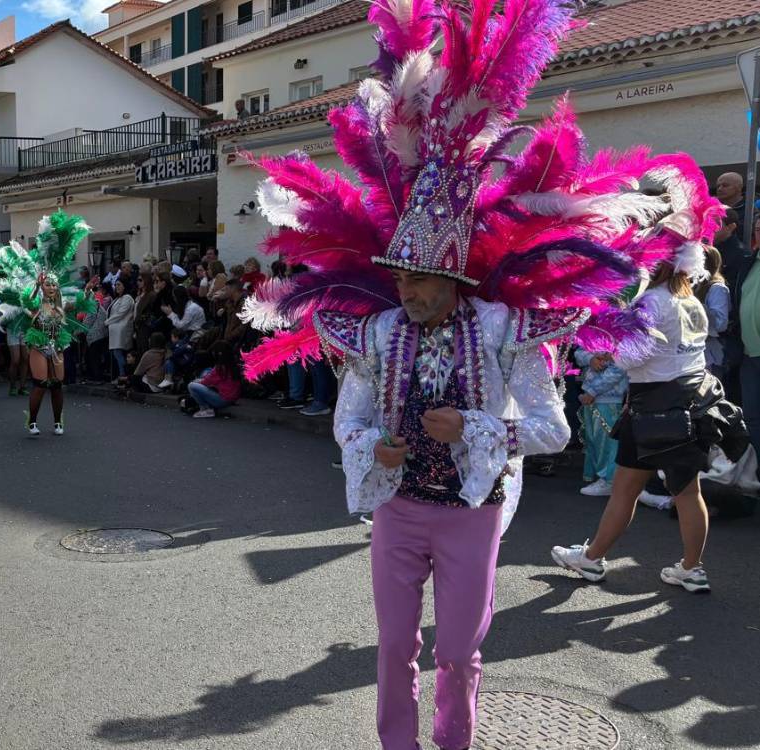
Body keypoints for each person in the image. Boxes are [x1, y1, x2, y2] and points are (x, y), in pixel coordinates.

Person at [236, 1, 724, 745]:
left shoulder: (502, 332)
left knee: (459, 654)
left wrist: (475, 425)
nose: (408, 290)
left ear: (458, 281)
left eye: (424, 278)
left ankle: (452, 741)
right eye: (401, 277)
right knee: (394, 648)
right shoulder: (377, 331)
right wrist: (375, 449)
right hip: (398, 507)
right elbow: (349, 418)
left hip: (472, 510)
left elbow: (552, 430)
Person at [552, 259, 747, 593]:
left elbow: (631, 358)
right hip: (689, 405)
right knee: (686, 491)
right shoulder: (691, 300)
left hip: (651, 409)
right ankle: (690, 568)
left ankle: (594, 558)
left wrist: (610, 339)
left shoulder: (651, 301)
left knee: (626, 490)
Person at [0, 213, 96, 436]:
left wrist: (86, 292)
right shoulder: (36, 304)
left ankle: (58, 422)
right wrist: (36, 287)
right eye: (48, 285)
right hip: (39, 345)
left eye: (53, 285)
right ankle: (33, 421)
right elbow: (27, 301)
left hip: (57, 345)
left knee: (57, 385)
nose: (51, 288)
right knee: (40, 383)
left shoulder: (61, 305)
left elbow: (79, 305)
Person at [574, 350, 627, 497]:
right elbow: (578, 352)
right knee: (594, 439)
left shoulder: (623, 334)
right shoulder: (592, 330)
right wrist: (590, 358)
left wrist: (592, 391)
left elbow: (621, 367)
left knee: (608, 442)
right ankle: (602, 477)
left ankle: (610, 481)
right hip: (591, 397)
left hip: (611, 398)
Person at [696, 245, 729, 379]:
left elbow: (721, 324)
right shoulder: (694, 285)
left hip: (710, 356)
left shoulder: (717, 288)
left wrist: (698, 308)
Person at [186, 342, 243, 419]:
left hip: (223, 399)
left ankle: (205, 409)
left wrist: (196, 381)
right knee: (201, 380)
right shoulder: (233, 364)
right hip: (231, 398)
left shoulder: (221, 367)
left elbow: (206, 381)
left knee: (192, 385)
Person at [106, 279, 135, 380]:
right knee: (117, 354)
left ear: (125, 286)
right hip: (115, 330)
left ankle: (123, 375)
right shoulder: (117, 298)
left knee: (119, 354)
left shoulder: (127, 298)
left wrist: (107, 322)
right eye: (115, 285)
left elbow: (120, 313)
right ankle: (121, 375)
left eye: (119, 284)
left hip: (122, 329)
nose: (116, 286)